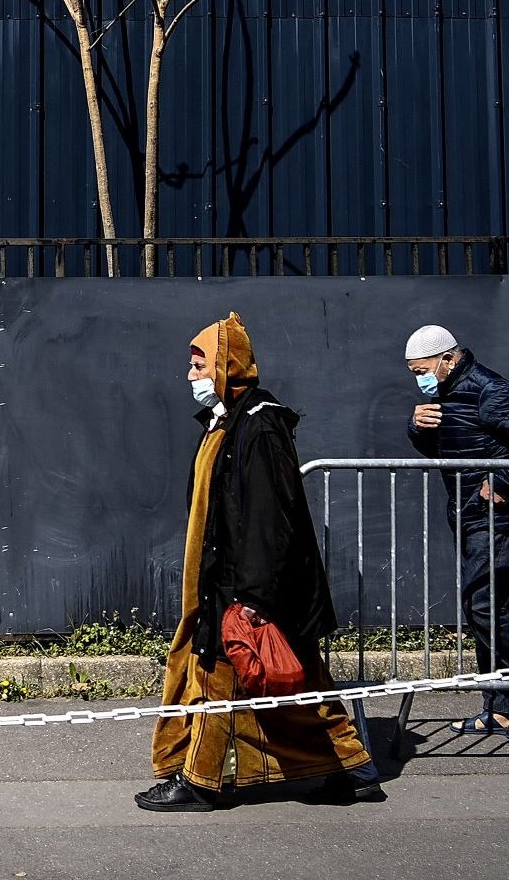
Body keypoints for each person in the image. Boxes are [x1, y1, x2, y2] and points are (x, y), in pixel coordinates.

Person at [137, 313, 378, 811]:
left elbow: (270, 518)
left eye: (198, 364)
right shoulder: (229, 422)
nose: (189, 374)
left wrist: (252, 597)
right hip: (242, 581)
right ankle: (355, 771)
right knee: (303, 680)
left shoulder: (259, 426)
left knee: (214, 675)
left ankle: (199, 782)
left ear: (225, 366)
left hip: (246, 585)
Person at [403, 323, 509, 744]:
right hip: (470, 512)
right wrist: (418, 429)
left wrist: (504, 478)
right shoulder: (446, 391)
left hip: (500, 515)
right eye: (412, 372)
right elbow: (450, 448)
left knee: (482, 604)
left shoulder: (488, 389)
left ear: (449, 359)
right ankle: (498, 706)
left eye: (423, 369)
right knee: (480, 606)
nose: (419, 379)